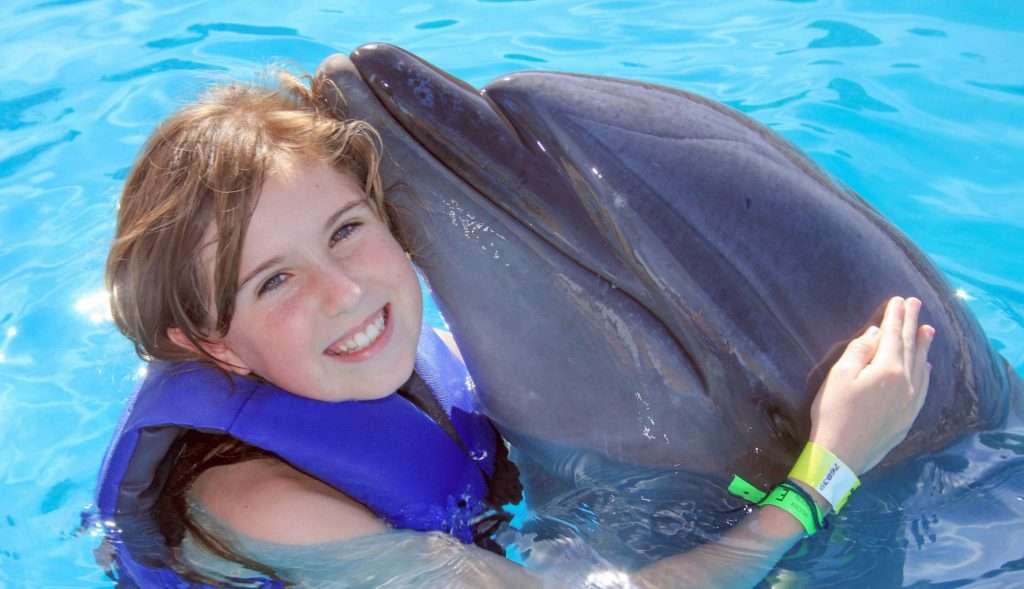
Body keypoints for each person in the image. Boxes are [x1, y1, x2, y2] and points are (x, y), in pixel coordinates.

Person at [97, 71, 935, 588]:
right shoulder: (261, 503)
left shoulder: (406, 359)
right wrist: (821, 476)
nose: (345, 290)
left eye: (346, 230)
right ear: (211, 344)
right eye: (274, 280)